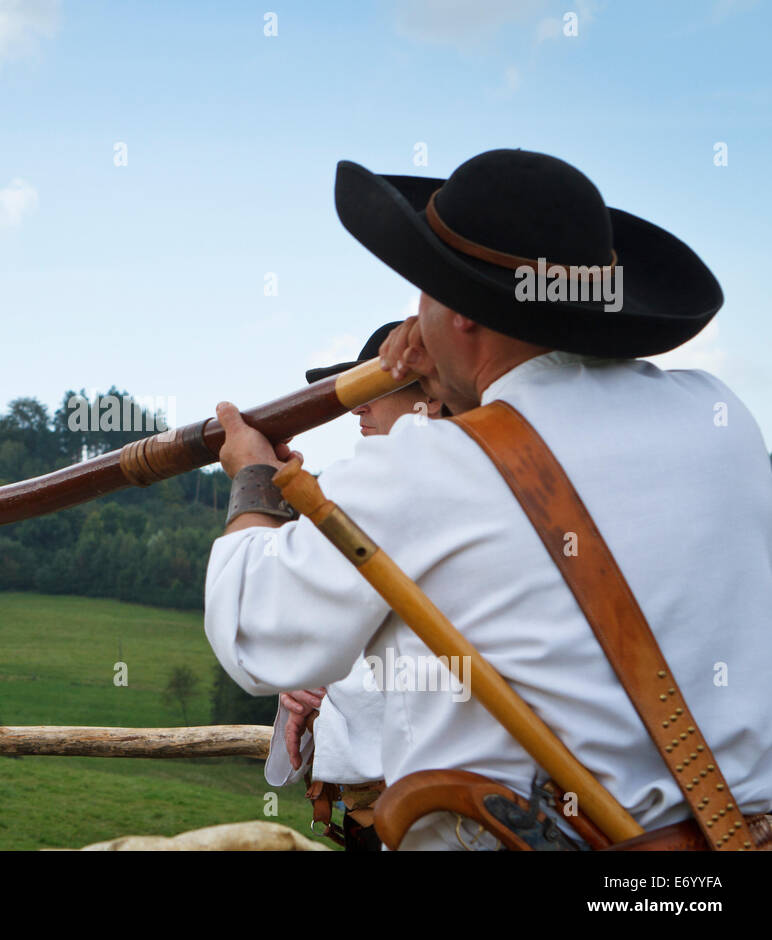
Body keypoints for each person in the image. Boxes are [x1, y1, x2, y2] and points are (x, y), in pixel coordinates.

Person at [205, 149, 772, 849]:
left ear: (462, 313)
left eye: (424, 291)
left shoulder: (428, 464)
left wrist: (253, 479)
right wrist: (452, 376)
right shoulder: (723, 419)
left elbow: (255, 636)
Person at [267, 324, 445, 844]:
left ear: (429, 399)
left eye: (374, 392)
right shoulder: (378, 499)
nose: (356, 410)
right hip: (373, 819)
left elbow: (438, 675)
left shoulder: (456, 502)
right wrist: (302, 683)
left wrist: (325, 686)